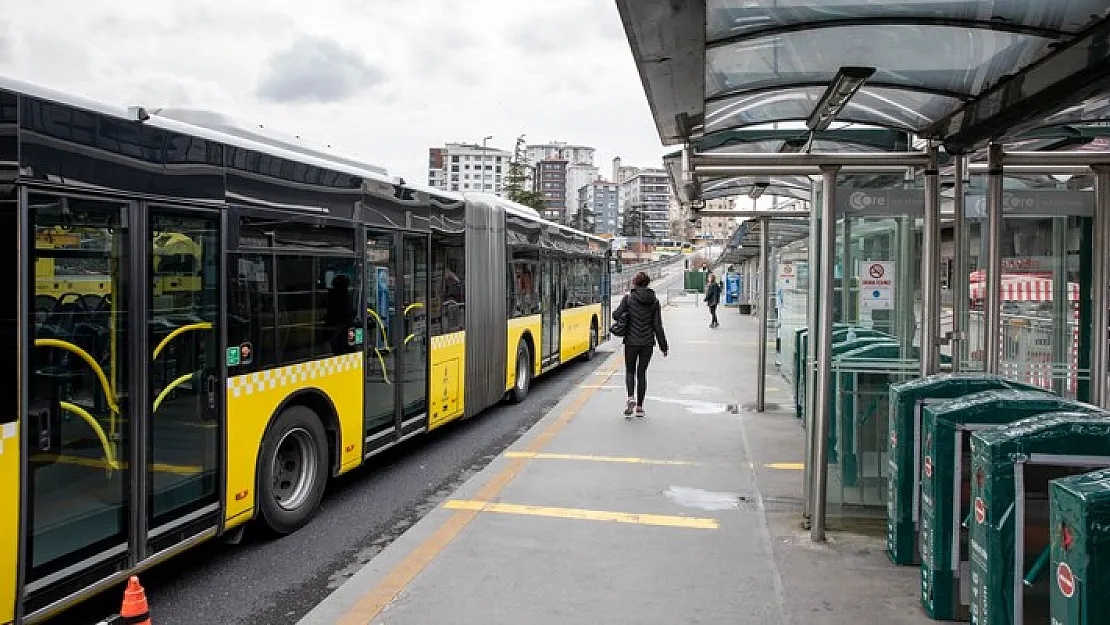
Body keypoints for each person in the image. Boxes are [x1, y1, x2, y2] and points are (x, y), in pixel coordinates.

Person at [612, 271, 669, 418]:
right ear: (647, 283)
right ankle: (640, 407)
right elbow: (658, 326)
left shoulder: (628, 299)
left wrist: (625, 308)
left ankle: (630, 397)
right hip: (647, 343)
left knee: (630, 371)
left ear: (635, 283)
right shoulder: (654, 301)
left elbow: (616, 315)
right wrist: (664, 347)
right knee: (641, 373)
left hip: (631, 342)